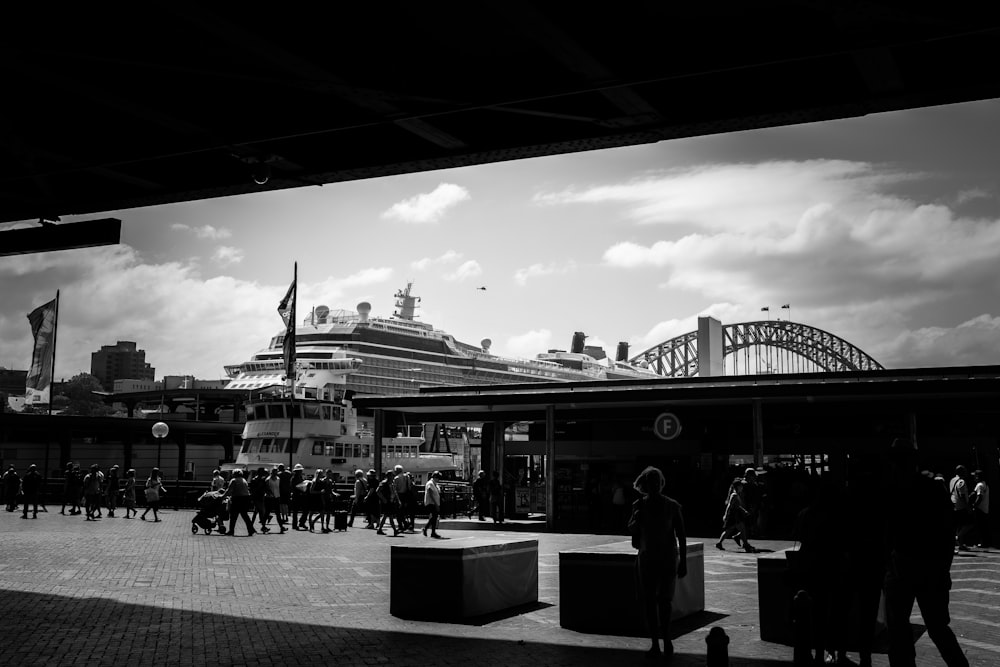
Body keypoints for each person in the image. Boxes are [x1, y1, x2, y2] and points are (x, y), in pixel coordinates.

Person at [884, 437, 969, 667]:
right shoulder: (931, 489)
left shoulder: (892, 490)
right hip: (929, 568)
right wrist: (943, 569)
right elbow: (946, 534)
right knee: (937, 628)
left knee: (899, 629)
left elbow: (887, 532)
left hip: (903, 567)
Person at [628, 466, 688, 661]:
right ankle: (656, 641)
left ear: (660, 484)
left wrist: (684, 561)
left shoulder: (672, 506)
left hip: (666, 559)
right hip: (647, 558)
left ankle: (666, 638)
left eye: (656, 482)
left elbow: (681, 535)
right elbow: (632, 532)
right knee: (650, 602)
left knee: (664, 602)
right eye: (650, 482)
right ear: (645, 485)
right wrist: (636, 520)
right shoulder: (638, 506)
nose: (654, 485)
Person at [716, 478, 755, 552]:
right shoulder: (734, 495)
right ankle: (746, 545)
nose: (742, 487)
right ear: (738, 486)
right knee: (742, 529)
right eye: (741, 486)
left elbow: (737, 506)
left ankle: (719, 543)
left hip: (736, 515)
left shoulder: (737, 494)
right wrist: (726, 515)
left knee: (729, 530)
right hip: (733, 516)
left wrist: (744, 511)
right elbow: (729, 505)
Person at [223, 469, 256, 536]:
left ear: (234, 474)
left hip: (237, 498)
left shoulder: (234, 480)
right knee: (245, 515)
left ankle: (231, 531)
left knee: (233, 516)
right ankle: (251, 529)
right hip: (245, 498)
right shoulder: (244, 480)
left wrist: (223, 496)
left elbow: (229, 490)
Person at [949, 465, 971, 550]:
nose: (966, 472)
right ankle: (958, 538)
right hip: (961, 506)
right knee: (969, 524)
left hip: (953, 505)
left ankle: (961, 544)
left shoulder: (952, 480)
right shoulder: (961, 481)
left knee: (959, 526)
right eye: (964, 471)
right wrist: (967, 506)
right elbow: (962, 496)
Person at [376, 470, 401, 536]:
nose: (393, 477)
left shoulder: (392, 483)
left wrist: (398, 500)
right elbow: (378, 491)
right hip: (387, 502)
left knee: (386, 516)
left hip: (391, 501)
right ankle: (395, 530)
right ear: (388, 476)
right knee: (390, 516)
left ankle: (380, 529)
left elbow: (395, 492)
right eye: (392, 475)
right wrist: (383, 499)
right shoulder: (384, 483)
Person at [970, 469, 990, 548]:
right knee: (983, 526)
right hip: (985, 508)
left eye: (975, 476)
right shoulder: (985, 484)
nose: (974, 477)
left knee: (980, 527)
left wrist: (974, 505)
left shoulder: (979, 485)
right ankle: (984, 542)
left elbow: (979, 497)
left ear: (978, 477)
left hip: (980, 508)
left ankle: (982, 543)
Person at [393, 464, 415, 532]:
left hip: (399, 495)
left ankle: (401, 525)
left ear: (397, 471)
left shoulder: (396, 478)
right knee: (404, 511)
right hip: (406, 495)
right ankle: (407, 524)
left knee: (398, 512)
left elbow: (395, 489)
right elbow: (409, 487)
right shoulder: (407, 476)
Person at [422, 471, 443, 538]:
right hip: (431, 503)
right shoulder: (430, 483)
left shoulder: (435, 484)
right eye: (438, 478)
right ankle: (426, 528)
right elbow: (430, 493)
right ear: (435, 477)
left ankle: (432, 531)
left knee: (434, 517)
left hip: (434, 503)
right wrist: (436, 504)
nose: (438, 480)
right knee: (434, 516)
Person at [265, 467, 286, 533]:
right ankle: (263, 526)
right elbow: (266, 489)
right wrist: (271, 494)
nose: (275, 473)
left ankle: (281, 527)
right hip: (269, 498)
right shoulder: (268, 479)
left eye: (276, 471)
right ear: (271, 472)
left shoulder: (278, 479)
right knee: (267, 512)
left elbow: (279, 488)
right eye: (274, 471)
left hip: (277, 497)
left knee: (278, 513)